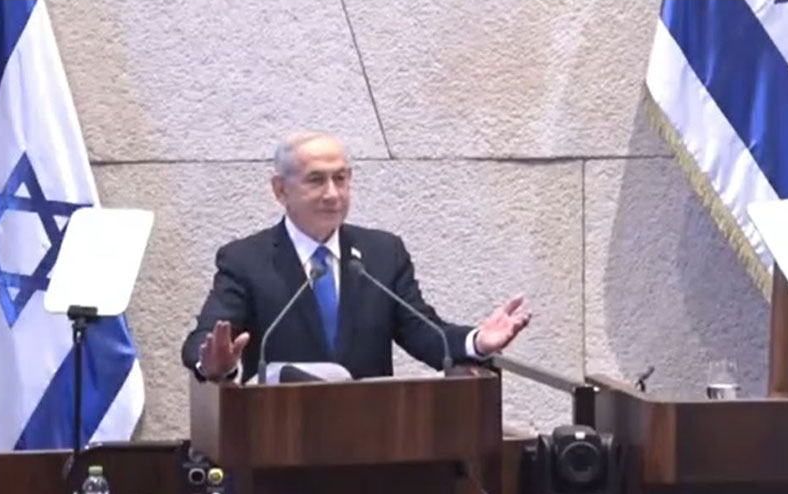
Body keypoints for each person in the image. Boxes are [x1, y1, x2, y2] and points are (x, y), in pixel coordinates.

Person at [182, 132, 531, 382]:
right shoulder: (246, 260)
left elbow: (425, 334)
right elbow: (206, 338)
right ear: (280, 189)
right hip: (279, 444)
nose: (332, 194)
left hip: (370, 444)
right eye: (316, 180)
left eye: (341, 178)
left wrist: (477, 341)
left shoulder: (382, 253)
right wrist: (214, 363)